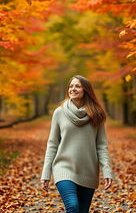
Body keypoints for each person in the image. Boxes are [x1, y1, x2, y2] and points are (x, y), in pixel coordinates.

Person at [40, 75, 113, 213]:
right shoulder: (59, 112)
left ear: (86, 90)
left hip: (88, 170)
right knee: (72, 207)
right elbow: (52, 144)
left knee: (83, 210)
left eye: (77, 86)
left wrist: (107, 171)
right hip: (64, 167)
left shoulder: (96, 114)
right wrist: (46, 173)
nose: (73, 89)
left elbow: (101, 146)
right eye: (71, 86)